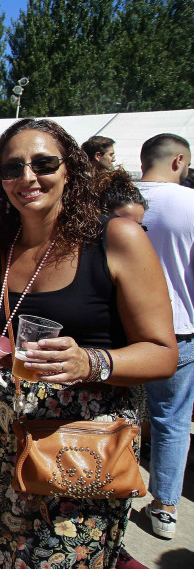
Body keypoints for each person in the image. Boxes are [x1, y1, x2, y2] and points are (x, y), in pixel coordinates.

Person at [0, 119, 176, 569]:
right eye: (12, 167)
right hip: (3, 457)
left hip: (80, 456)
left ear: (70, 170)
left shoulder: (116, 238)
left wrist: (92, 362)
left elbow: (163, 353)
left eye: (43, 163)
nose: (28, 177)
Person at [90, 167, 156, 569]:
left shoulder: (133, 250)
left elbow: (159, 352)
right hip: (27, 422)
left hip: (107, 413)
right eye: (124, 223)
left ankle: (116, 547)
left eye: (140, 225)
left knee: (105, 495)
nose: (133, 233)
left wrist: (94, 362)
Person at [134, 133, 194, 542]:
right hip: (179, 328)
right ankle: (165, 507)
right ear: (179, 161)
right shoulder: (190, 205)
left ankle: (105, 492)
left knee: (113, 421)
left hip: (117, 330)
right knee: (171, 421)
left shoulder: (111, 198)